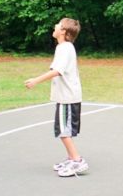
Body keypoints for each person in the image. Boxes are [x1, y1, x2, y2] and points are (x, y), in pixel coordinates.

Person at [24, 17, 88, 177]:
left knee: (63, 131)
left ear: (63, 32)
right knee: (63, 130)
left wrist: (35, 80)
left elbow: (57, 71)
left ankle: (77, 161)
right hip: (66, 97)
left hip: (67, 97)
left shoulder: (64, 48)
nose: (55, 26)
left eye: (58, 25)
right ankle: (71, 158)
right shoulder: (65, 47)